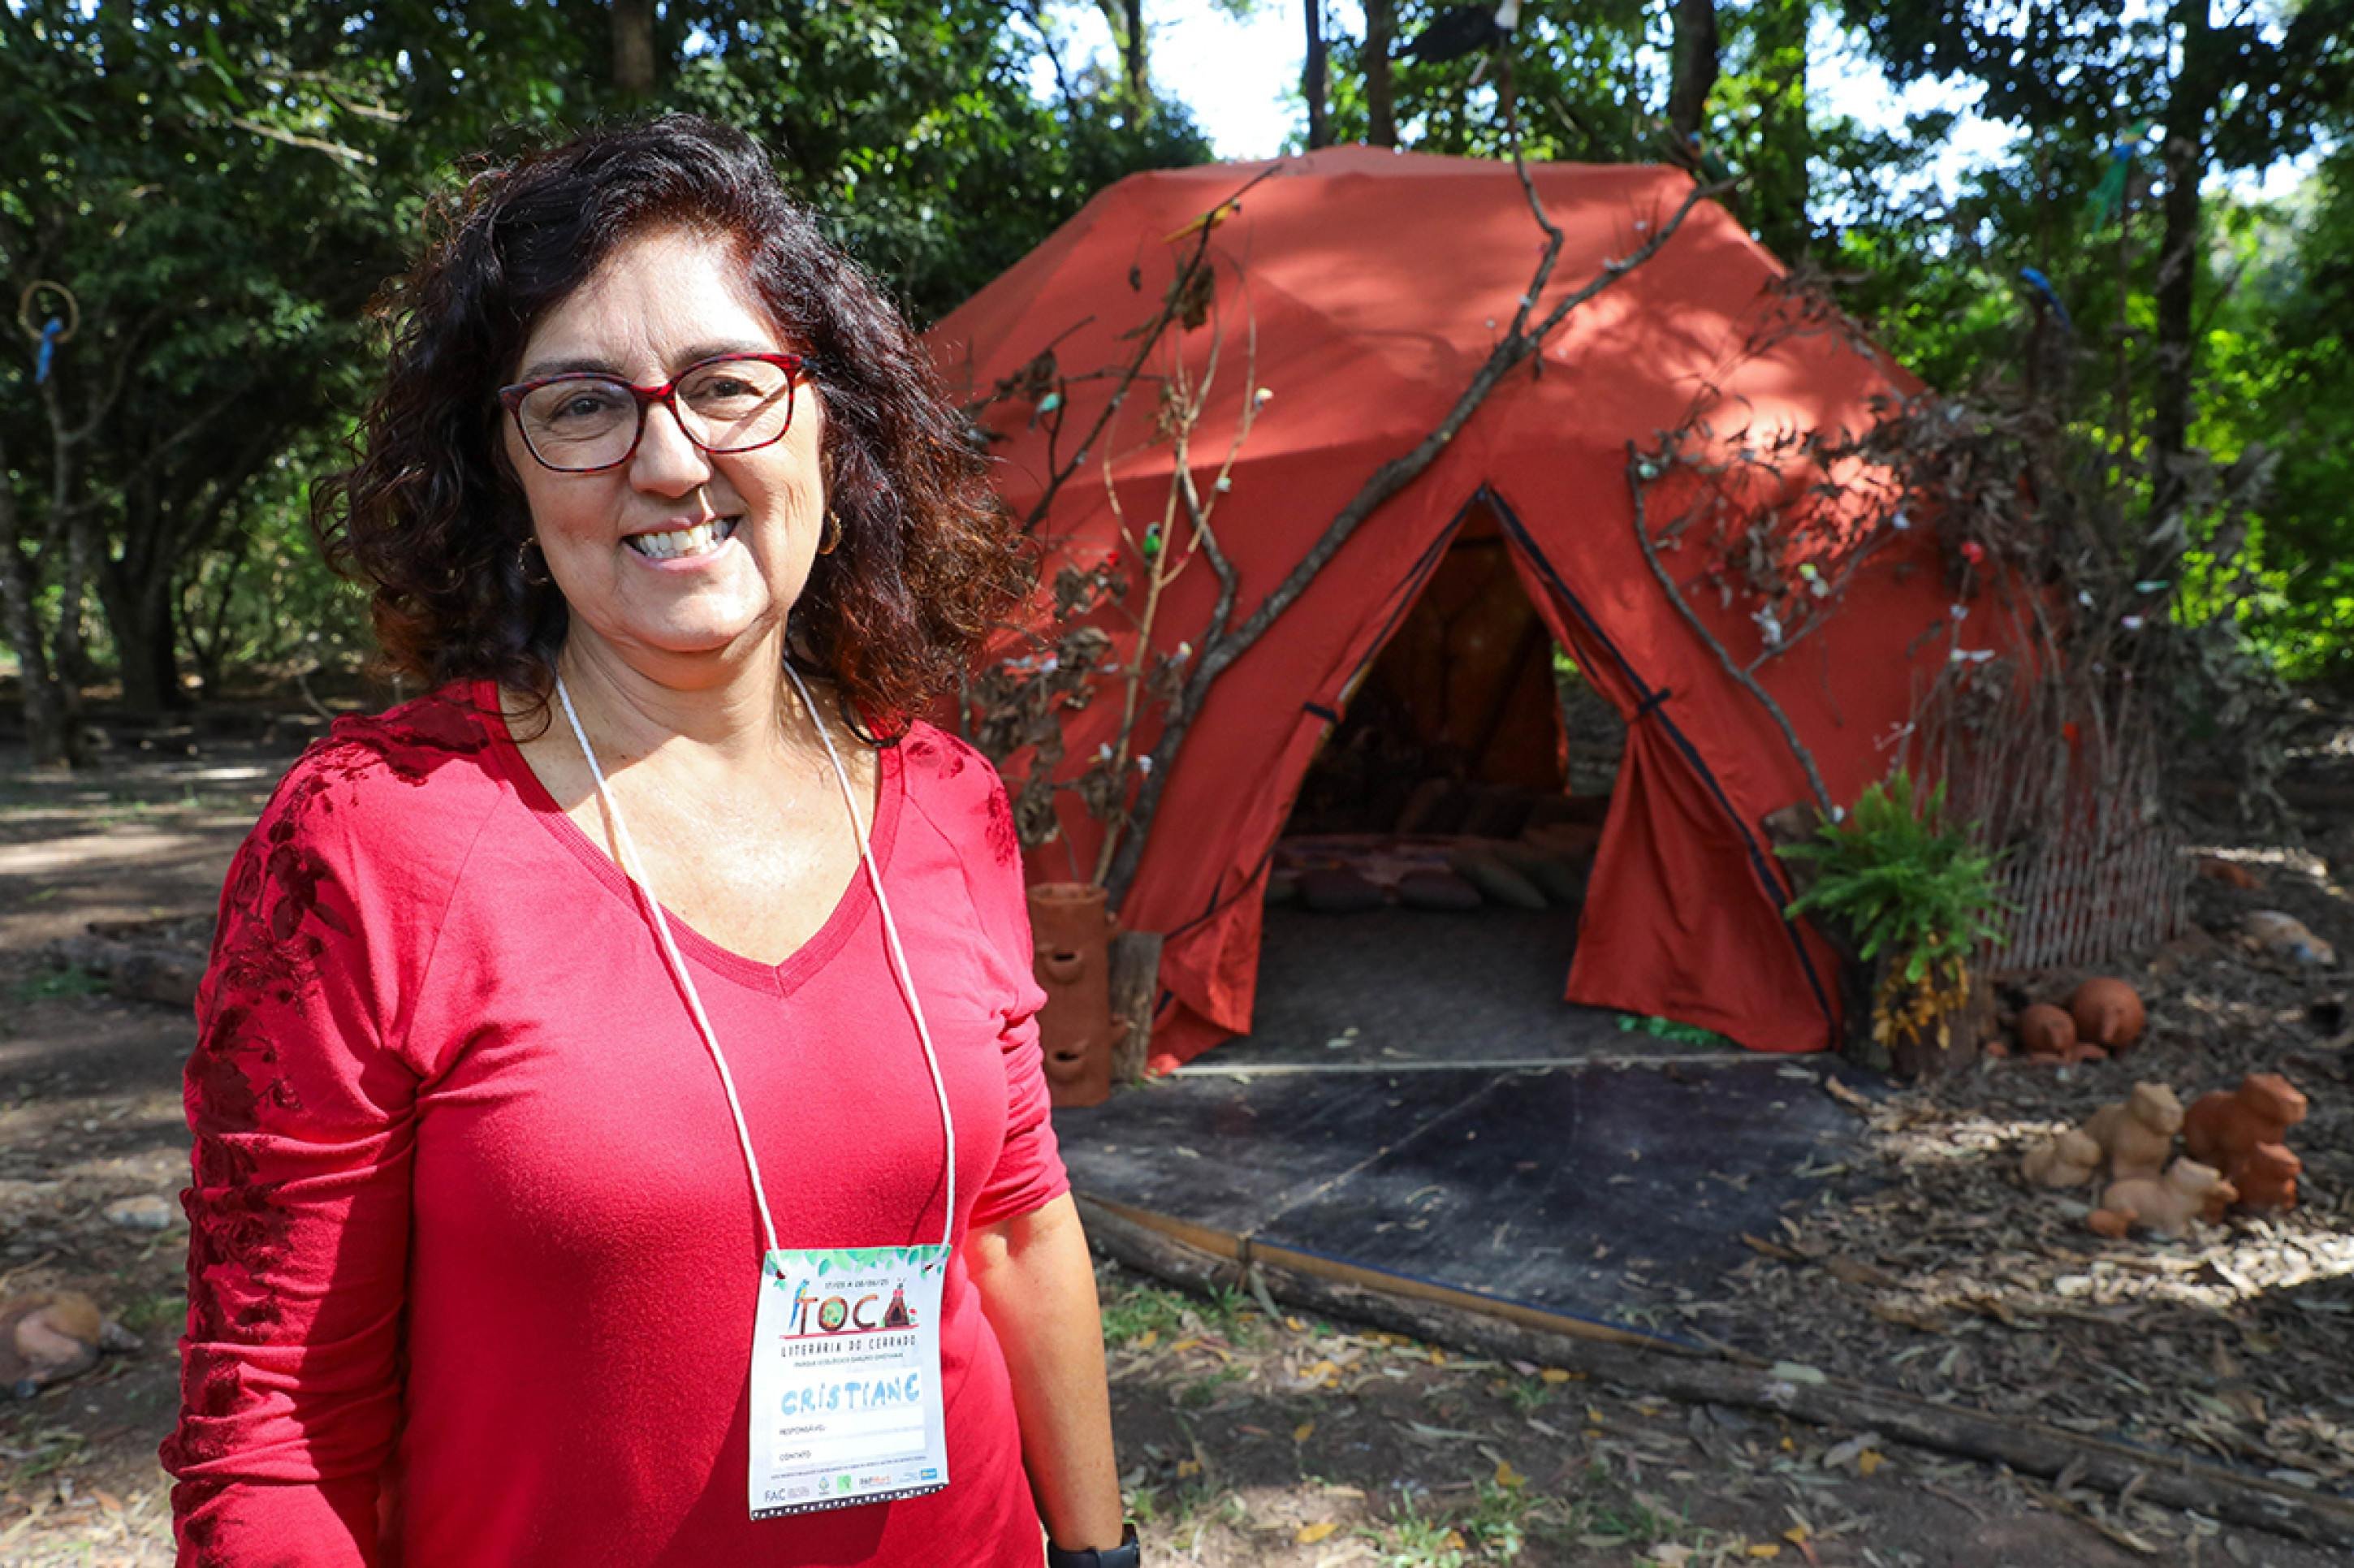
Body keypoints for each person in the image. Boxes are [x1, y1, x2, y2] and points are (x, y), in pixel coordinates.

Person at [162, 115, 1137, 1568]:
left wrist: (1104, 1554)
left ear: (830, 420)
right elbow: (279, 1427)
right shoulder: (375, 846)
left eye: (728, 385)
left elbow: (1011, 1227)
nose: (672, 461)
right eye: (581, 405)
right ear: (504, 464)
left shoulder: (947, 801)